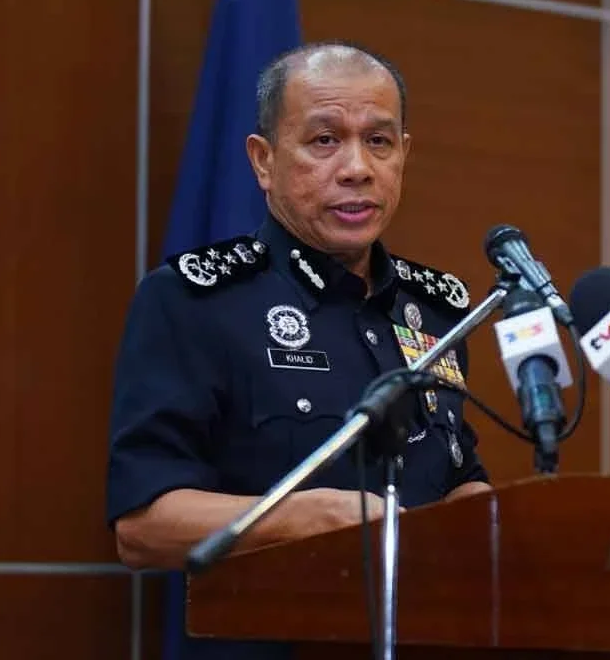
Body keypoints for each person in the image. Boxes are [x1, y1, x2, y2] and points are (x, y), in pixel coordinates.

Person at [105, 41, 492, 659]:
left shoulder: (436, 311)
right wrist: (296, 519)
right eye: (323, 141)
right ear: (263, 161)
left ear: (404, 157)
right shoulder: (195, 302)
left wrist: (486, 512)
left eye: (380, 142)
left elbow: (453, 472)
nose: (357, 168)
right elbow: (142, 527)